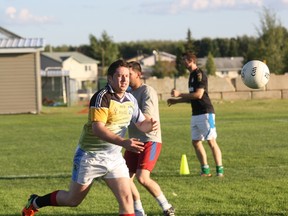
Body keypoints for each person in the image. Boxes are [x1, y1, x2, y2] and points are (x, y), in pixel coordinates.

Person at [22, 59, 159, 216]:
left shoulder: (131, 99)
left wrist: (150, 124)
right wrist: (123, 142)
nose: (124, 79)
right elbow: (98, 129)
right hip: (90, 156)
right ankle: (35, 202)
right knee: (72, 200)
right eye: (119, 76)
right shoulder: (102, 97)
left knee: (127, 201)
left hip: (114, 158)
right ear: (110, 78)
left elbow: (141, 123)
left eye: (126, 76)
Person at [124, 61, 175, 216]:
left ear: (139, 74)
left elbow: (147, 116)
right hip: (134, 141)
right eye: (124, 75)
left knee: (142, 178)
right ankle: (139, 211)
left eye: (129, 75)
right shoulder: (128, 94)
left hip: (150, 140)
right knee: (124, 178)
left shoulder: (147, 91)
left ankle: (167, 207)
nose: (126, 79)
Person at [167, 52, 224, 177]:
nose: (183, 63)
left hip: (205, 112)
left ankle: (219, 171)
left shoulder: (199, 74)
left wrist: (179, 94)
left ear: (191, 60)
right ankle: (205, 170)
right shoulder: (191, 76)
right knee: (196, 141)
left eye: (184, 60)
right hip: (196, 114)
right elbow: (192, 98)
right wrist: (175, 101)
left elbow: (198, 95)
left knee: (211, 141)